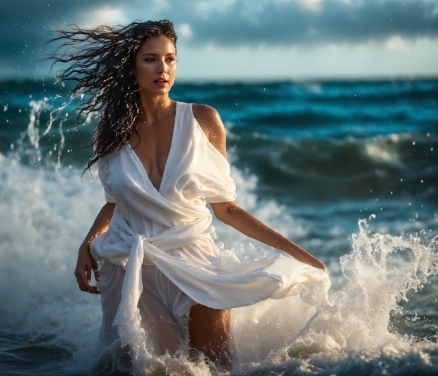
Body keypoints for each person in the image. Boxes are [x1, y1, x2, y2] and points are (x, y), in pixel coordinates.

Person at [50, 19, 328, 370]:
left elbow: (226, 209)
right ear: (131, 66)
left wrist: (300, 255)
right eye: (150, 59)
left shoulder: (203, 120)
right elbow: (115, 201)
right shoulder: (112, 132)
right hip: (132, 264)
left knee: (218, 367)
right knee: (167, 367)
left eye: (170, 59)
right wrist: (86, 244)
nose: (162, 69)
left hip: (196, 263)